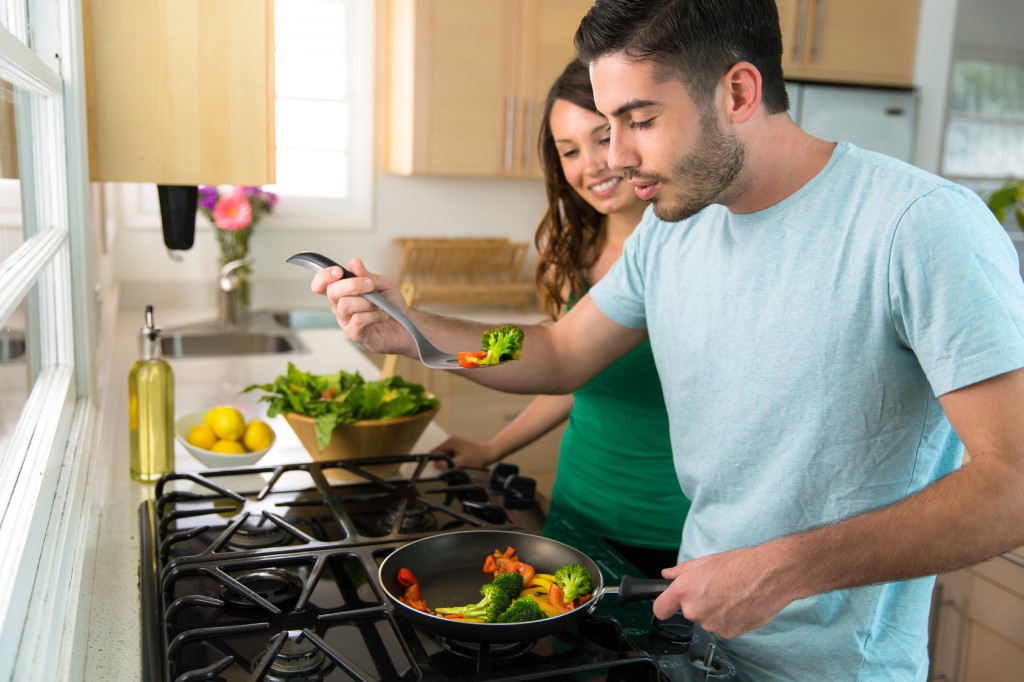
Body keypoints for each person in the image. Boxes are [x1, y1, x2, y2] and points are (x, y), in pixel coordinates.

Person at [309, 0, 1024, 679]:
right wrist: (414, 331)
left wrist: (781, 569)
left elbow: (1012, 487)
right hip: (699, 641)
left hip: (834, 667)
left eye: (639, 120)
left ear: (739, 93)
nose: (614, 158)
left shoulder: (921, 226)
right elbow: (556, 352)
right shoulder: (673, 231)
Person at [429, 59, 691, 579]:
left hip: (676, 527)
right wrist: (491, 448)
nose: (593, 164)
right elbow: (567, 367)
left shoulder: (693, 250)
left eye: (602, 138)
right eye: (569, 151)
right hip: (579, 508)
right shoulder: (572, 252)